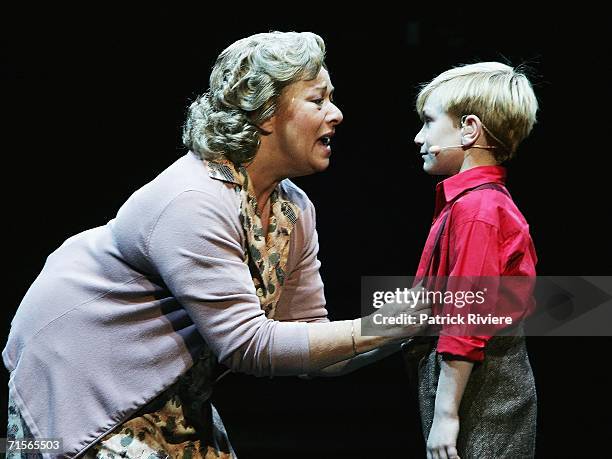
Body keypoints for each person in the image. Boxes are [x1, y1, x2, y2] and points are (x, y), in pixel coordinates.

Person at [3, 31, 429, 459]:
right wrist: (389, 324)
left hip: (162, 381)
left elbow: (313, 344)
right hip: (78, 373)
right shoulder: (196, 199)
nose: (335, 114)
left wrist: (414, 323)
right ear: (266, 112)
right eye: (317, 100)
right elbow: (247, 346)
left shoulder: (293, 209)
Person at [412, 62, 539, 458]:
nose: (419, 136)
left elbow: (468, 314)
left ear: (469, 129)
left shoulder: (479, 210)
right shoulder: (469, 204)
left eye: (429, 122)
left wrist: (446, 412)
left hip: (483, 385)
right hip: (468, 377)